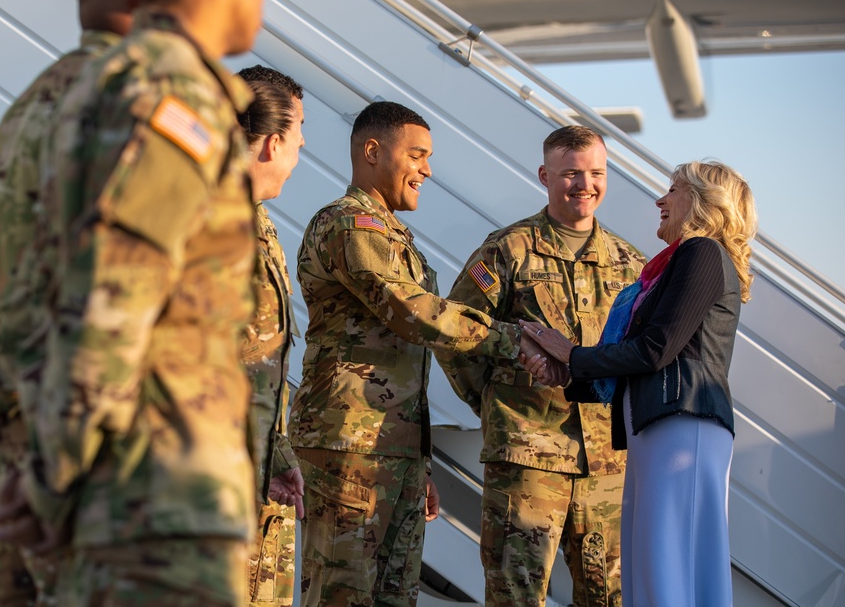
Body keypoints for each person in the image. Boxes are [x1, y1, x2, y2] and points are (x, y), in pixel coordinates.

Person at [0, 0, 268, 604]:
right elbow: (112, 302)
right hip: (158, 494)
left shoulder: (108, 82)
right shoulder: (175, 93)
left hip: (134, 489)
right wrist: (52, 479)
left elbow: (35, 288)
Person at [0, 0, 136, 603]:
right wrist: (1, 381)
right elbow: (101, 281)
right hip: (96, 450)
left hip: (19, 443)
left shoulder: (34, 102)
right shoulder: (139, 99)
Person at [290, 100, 525, 607]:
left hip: (390, 449)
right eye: (417, 154)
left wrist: (418, 463)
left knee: (394, 597)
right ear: (373, 152)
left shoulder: (395, 235)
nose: (427, 169)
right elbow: (413, 312)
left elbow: (403, 362)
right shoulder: (349, 225)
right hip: (348, 449)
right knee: (342, 595)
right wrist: (517, 341)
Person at [520, 160, 758, 607]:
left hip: (682, 428)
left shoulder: (702, 251)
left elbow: (656, 348)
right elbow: (647, 362)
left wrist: (572, 355)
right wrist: (569, 373)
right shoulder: (669, 267)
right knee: (652, 567)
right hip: (659, 428)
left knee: (670, 568)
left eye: (674, 190)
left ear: (705, 202)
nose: (660, 200)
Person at [441, 124, 645, 607]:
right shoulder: (507, 251)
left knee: (608, 596)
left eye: (596, 173)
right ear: (545, 176)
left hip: (606, 465)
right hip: (528, 457)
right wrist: (493, 402)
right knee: (516, 592)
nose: (585, 185)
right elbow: (455, 334)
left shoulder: (629, 264)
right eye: (571, 174)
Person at [235, 64, 306, 607]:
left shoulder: (260, 226)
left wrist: (276, 454)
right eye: (298, 135)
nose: (301, 149)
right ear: (273, 143)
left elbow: (257, 363)